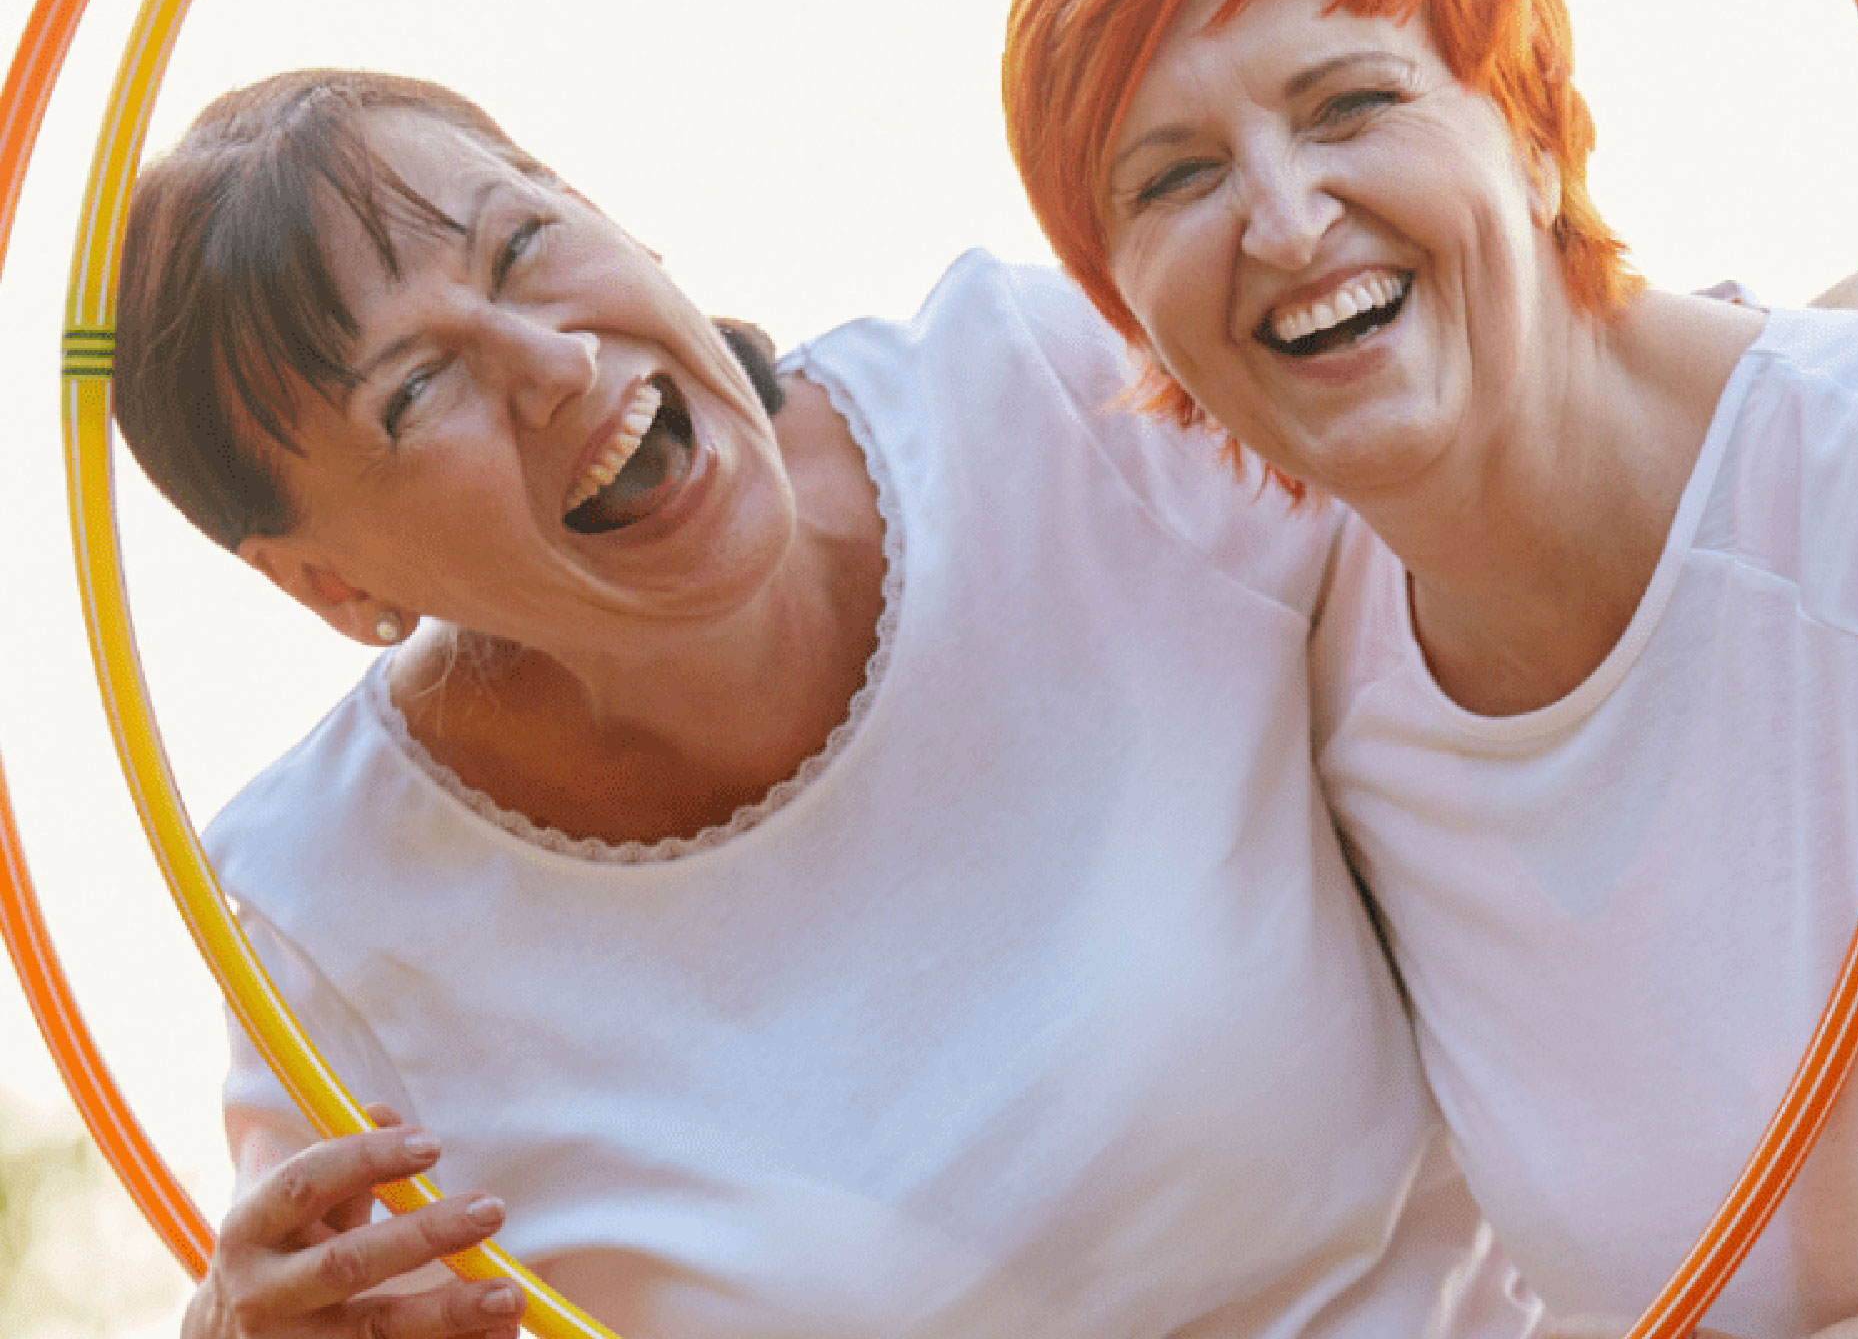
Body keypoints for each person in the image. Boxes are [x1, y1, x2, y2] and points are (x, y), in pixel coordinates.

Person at [116, 71, 1536, 1339]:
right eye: (418, 389)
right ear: (325, 581)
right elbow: (329, 1306)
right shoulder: (331, 918)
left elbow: (1540, 613)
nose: (550, 365)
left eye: (526, 246)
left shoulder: (1048, 403)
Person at [1002, 0, 1858, 1338]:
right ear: (1126, 304)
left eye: (1350, 105)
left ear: (1541, 133)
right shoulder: (1301, 704)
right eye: (1174, 178)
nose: (1287, 222)